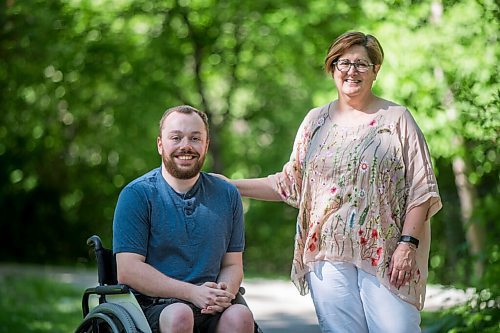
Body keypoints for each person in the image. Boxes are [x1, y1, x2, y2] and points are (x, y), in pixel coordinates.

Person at [218, 31, 442, 332]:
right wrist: (230, 186)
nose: (352, 71)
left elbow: (421, 189)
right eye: (343, 62)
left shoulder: (397, 119)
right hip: (327, 253)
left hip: (386, 253)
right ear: (332, 68)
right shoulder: (315, 122)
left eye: (361, 64)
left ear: (375, 70)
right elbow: (290, 183)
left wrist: (407, 244)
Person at [113, 105, 255, 333]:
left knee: (240, 316)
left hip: (210, 304)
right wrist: (191, 293)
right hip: (155, 304)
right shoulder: (138, 195)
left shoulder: (227, 194)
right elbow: (128, 269)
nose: (185, 146)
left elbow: (232, 264)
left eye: (195, 138)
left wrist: (223, 292)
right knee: (180, 314)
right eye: (176, 138)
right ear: (160, 145)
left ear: (206, 145)